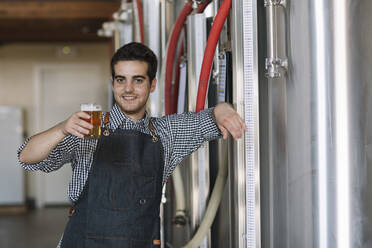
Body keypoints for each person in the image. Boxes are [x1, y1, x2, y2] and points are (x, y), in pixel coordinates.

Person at [18, 42, 247, 248]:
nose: (128, 89)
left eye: (138, 80)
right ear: (113, 83)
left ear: (152, 84)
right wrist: (61, 129)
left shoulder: (167, 133)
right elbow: (26, 156)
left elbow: (209, 120)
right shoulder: (86, 128)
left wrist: (223, 109)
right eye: (121, 80)